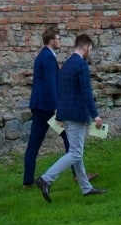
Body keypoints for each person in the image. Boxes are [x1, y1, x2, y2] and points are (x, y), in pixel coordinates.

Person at [36, 33, 106, 202]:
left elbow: (61, 90)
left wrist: (59, 113)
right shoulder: (81, 65)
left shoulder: (66, 63)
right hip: (76, 114)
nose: (90, 53)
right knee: (75, 152)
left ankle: (86, 188)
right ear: (85, 48)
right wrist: (95, 115)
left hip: (66, 113)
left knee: (77, 152)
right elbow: (86, 92)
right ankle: (46, 178)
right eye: (90, 50)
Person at [23, 25, 71, 187]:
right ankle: (78, 175)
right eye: (58, 39)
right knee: (69, 137)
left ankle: (27, 180)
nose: (60, 42)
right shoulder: (49, 58)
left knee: (34, 143)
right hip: (48, 108)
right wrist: (57, 108)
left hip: (38, 106)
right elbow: (51, 84)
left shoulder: (41, 55)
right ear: (51, 41)